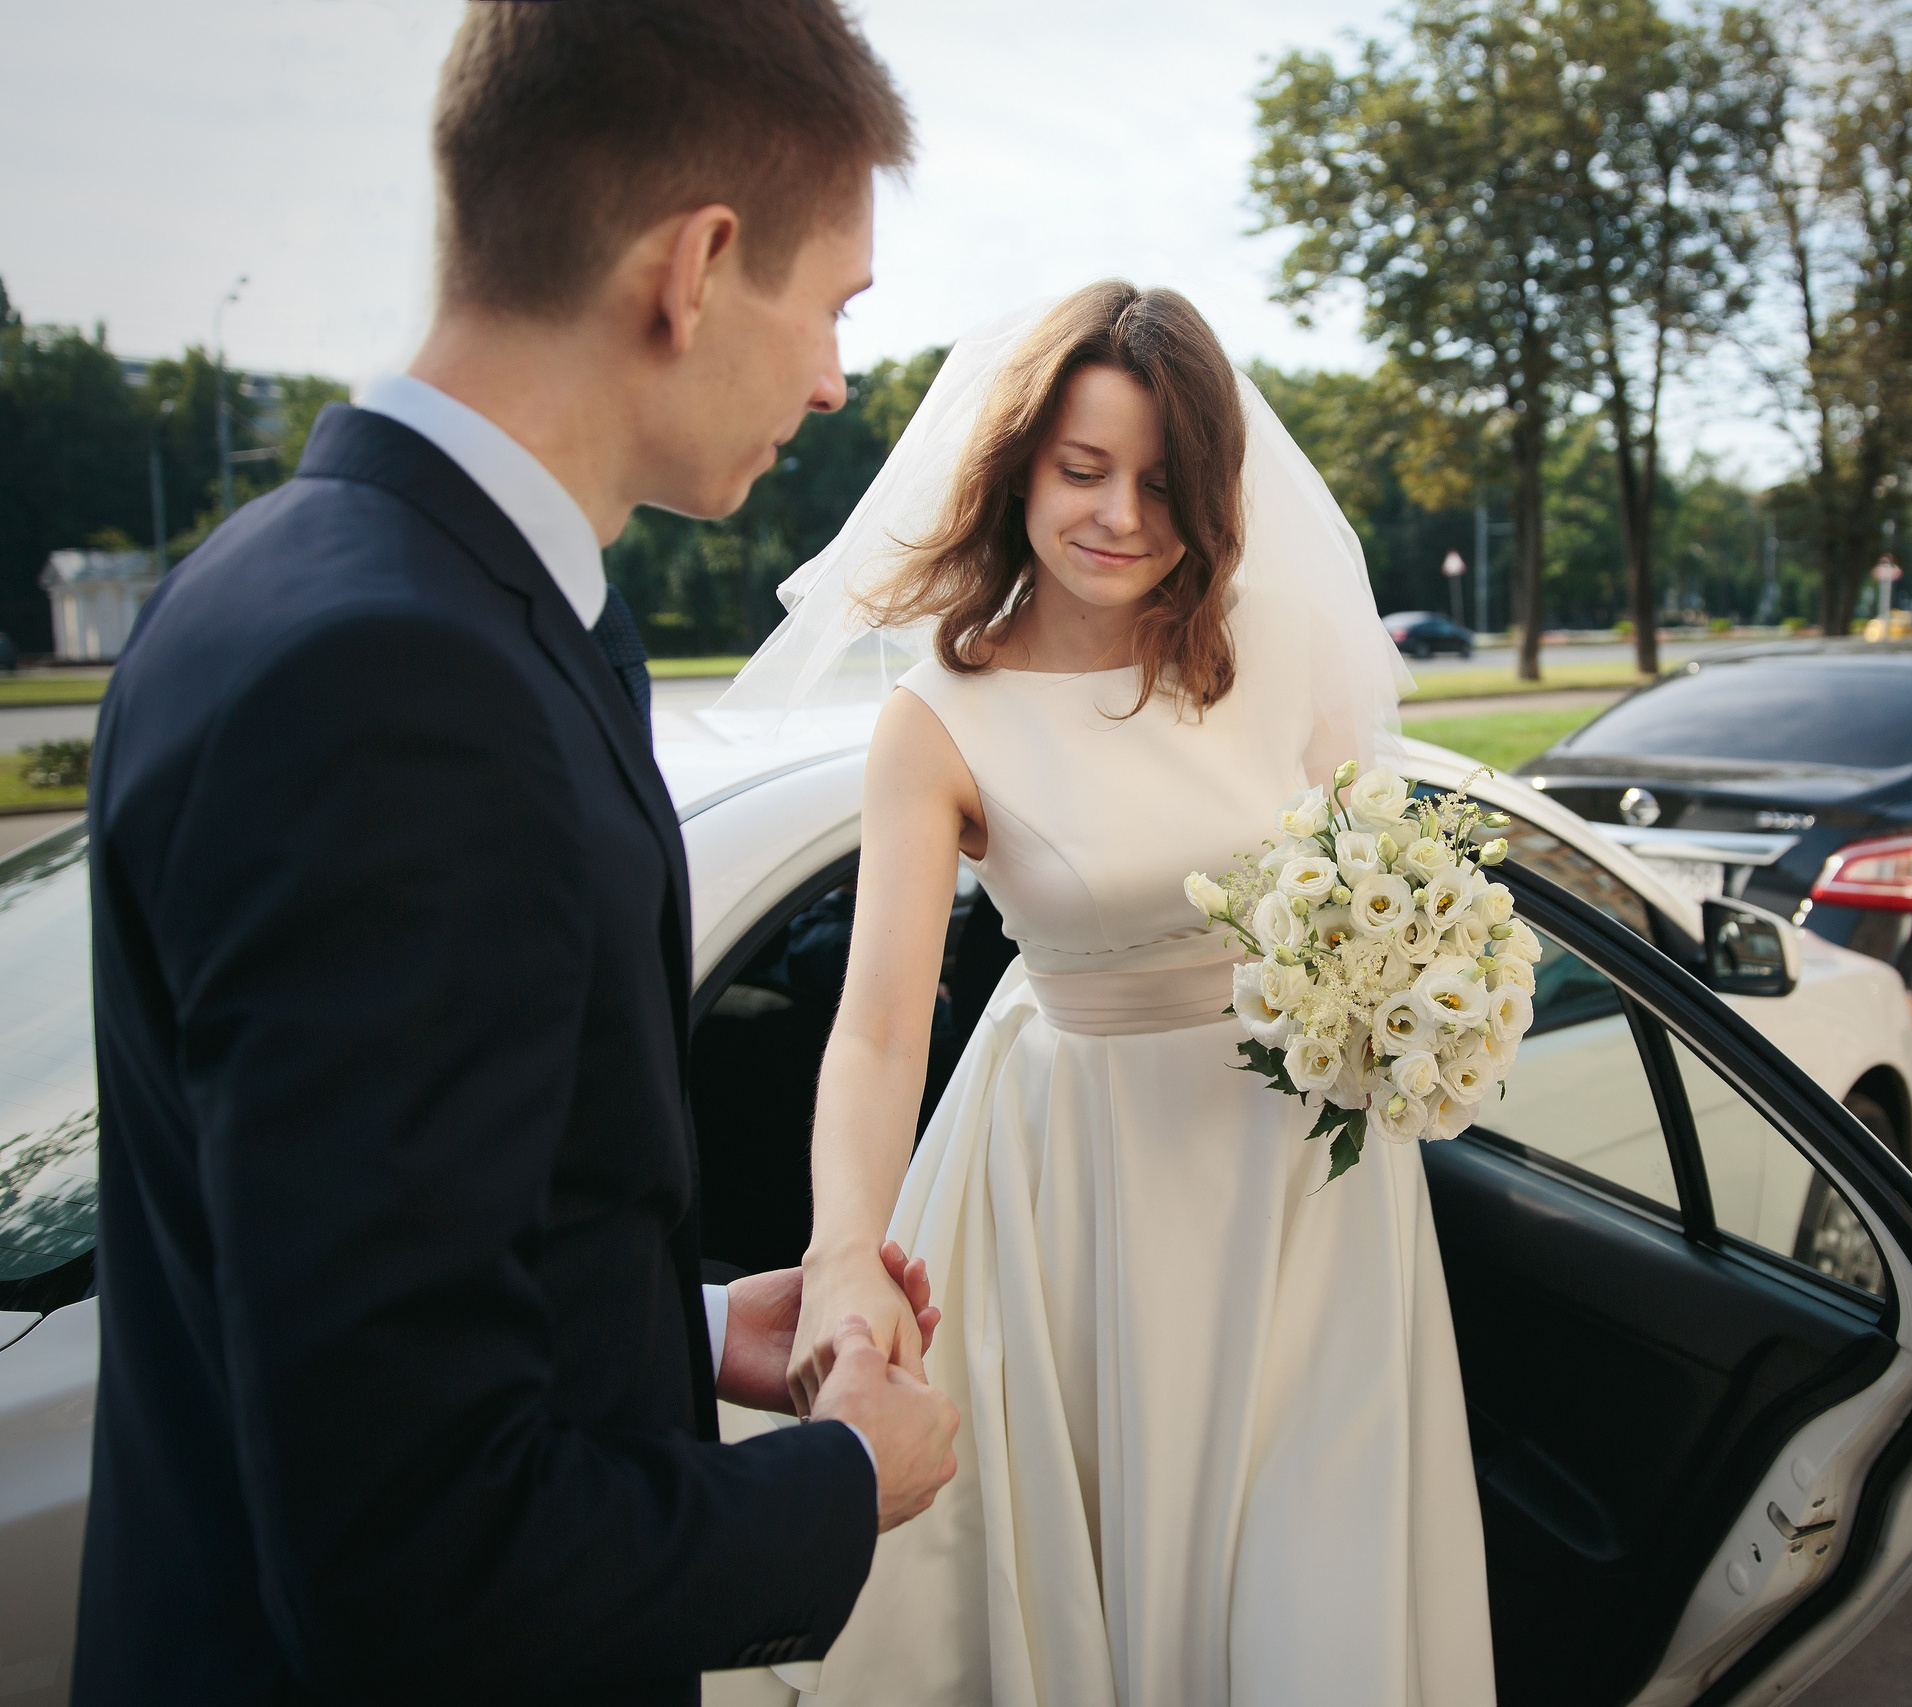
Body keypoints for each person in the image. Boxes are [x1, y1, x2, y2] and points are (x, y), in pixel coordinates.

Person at [75, 5, 956, 1703]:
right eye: (833, 304)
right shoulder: (399, 690)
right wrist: (837, 1493)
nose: (838, 378)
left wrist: (681, 1334)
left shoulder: (290, 576)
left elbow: (334, 1286)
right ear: (696, 268)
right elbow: (411, 1553)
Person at [719, 282, 1495, 1704]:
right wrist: (843, 1254)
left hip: (1310, 1195)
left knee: (1309, 1595)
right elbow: (883, 1028)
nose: (1122, 515)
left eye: (1162, 481)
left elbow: (1368, 881)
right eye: (1083, 470)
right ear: (1019, 465)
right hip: (1082, 1191)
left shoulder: (1277, 650)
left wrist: (1422, 989)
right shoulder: (940, 718)